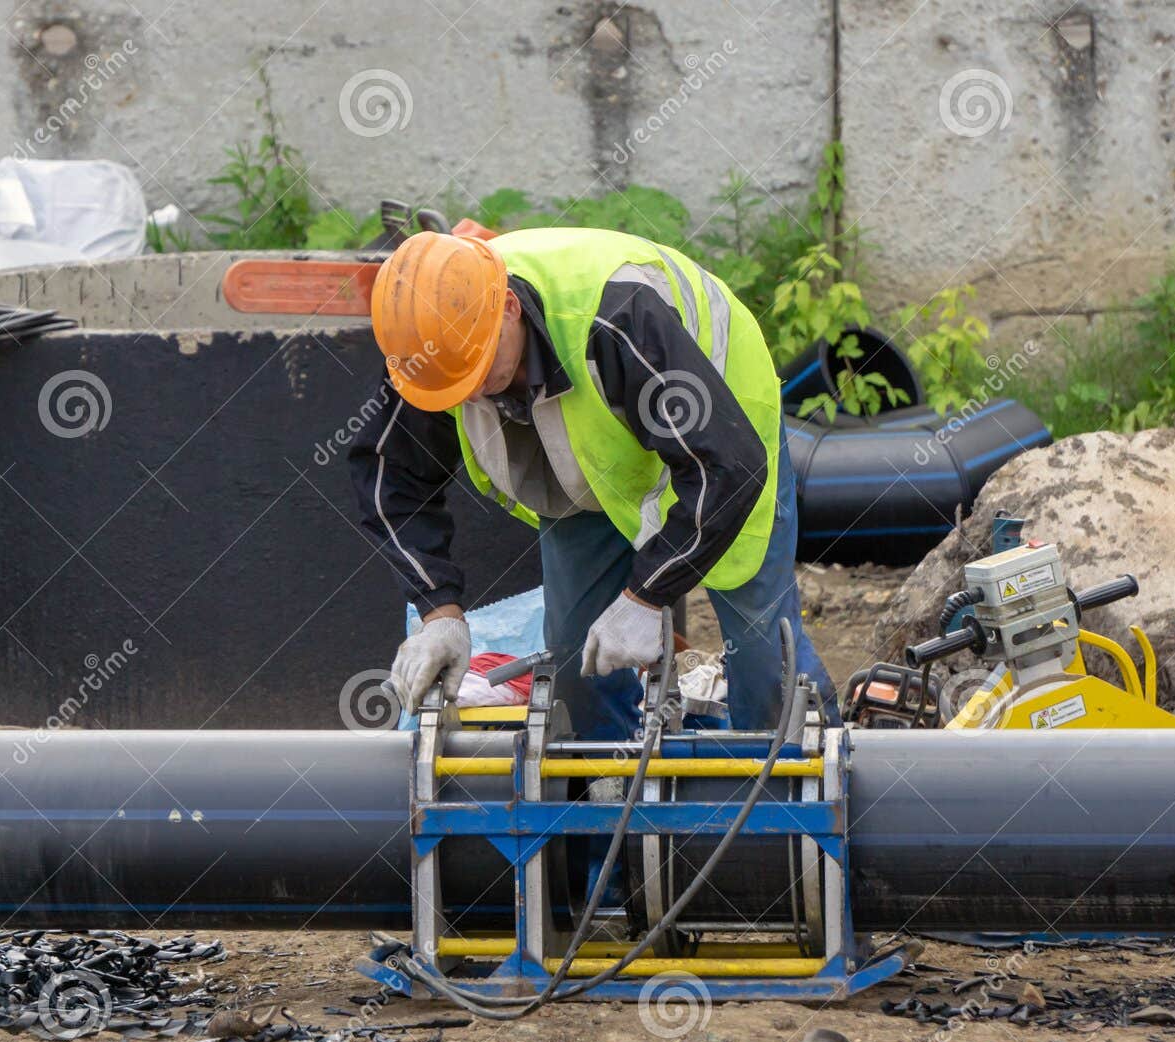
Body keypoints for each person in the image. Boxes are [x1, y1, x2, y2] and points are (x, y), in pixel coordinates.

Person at [347, 226, 837, 739]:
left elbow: (727, 470)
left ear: (509, 308)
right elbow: (390, 481)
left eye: (480, 368)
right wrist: (438, 611)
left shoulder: (618, 318)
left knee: (761, 656)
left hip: (718, 426)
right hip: (592, 460)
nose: (469, 393)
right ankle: (605, 798)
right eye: (456, 385)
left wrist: (648, 597)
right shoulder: (433, 353)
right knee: (575, 663)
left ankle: (811, 794)